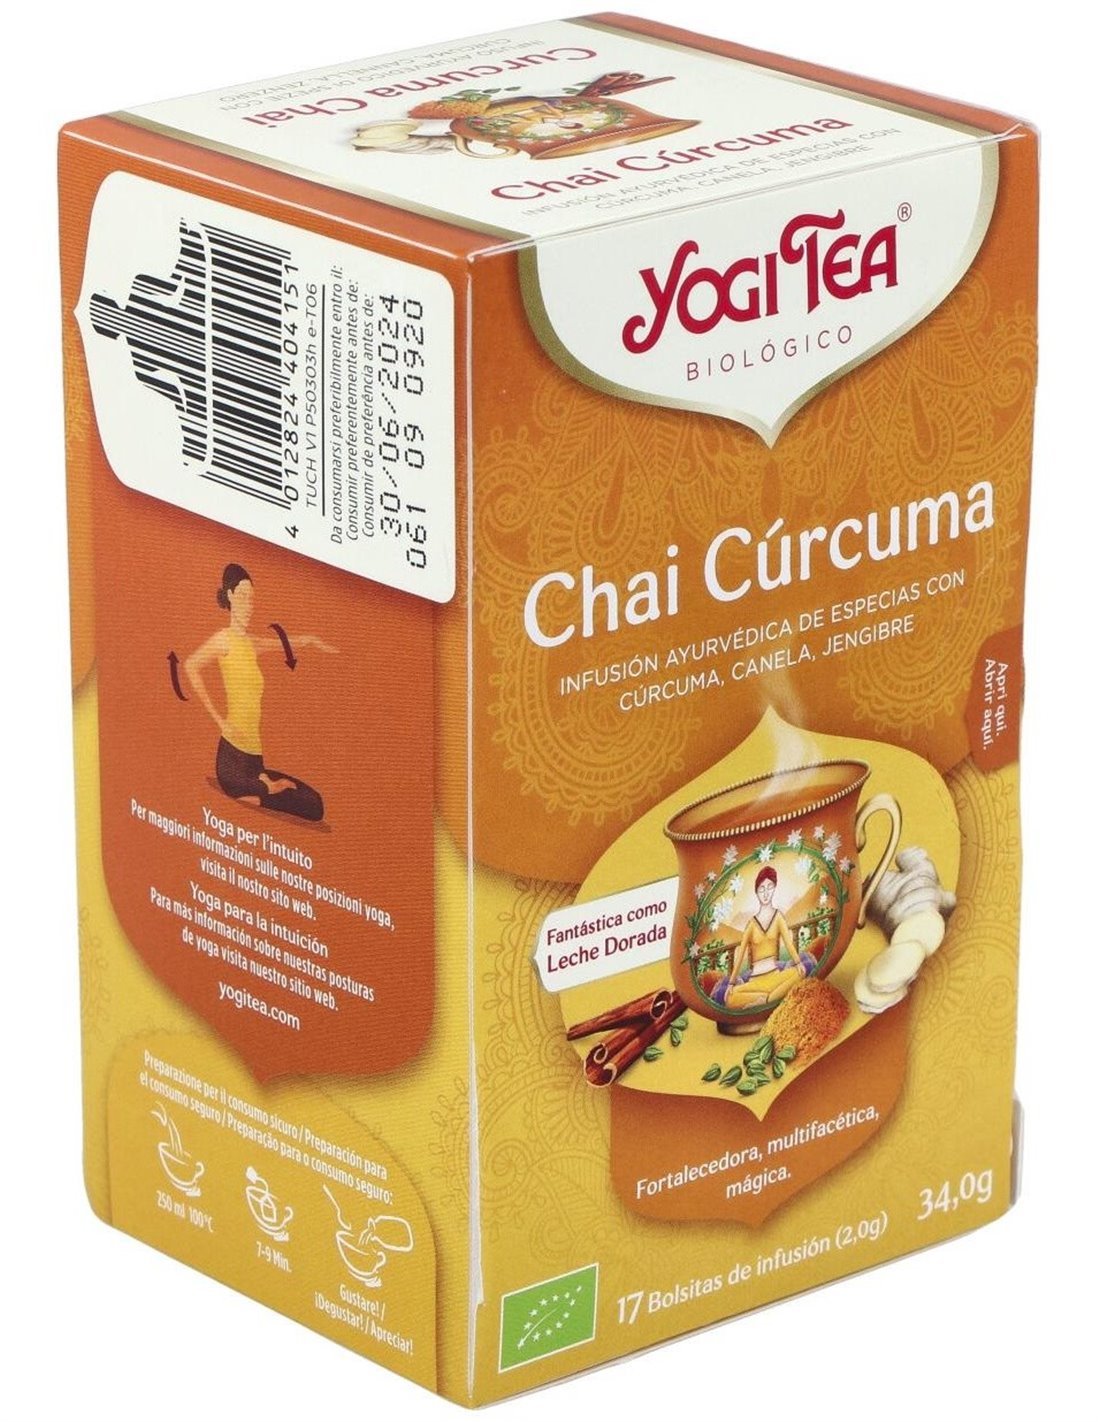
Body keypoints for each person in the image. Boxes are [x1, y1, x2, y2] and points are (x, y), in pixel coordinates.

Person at [185, 564, 335, 821]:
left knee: (314, 803)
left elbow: (282, 643)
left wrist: (310, 640)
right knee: (286, 796)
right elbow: (190, 665)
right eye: (243, 596)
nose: (249, 605)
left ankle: (260, 791)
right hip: (231, 759)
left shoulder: (250, 643)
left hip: (254, 760)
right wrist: (219, 721)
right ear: (230, 595)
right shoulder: (223, 639)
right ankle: (258, 792)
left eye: (252, 598)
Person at [716, 865, 806, 1010]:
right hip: (755, 982)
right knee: (730, 998)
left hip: (776, 976)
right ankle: (771, 997)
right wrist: (731, 983)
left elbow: (789, 943)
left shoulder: (778, 917)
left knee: (799, 973)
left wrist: (798, 962)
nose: (766, 893)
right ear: (756, 892)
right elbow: (740, 956)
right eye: (762, 889)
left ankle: (766, 999)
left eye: (770, 887)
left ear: (775, 888)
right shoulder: (751, 924)